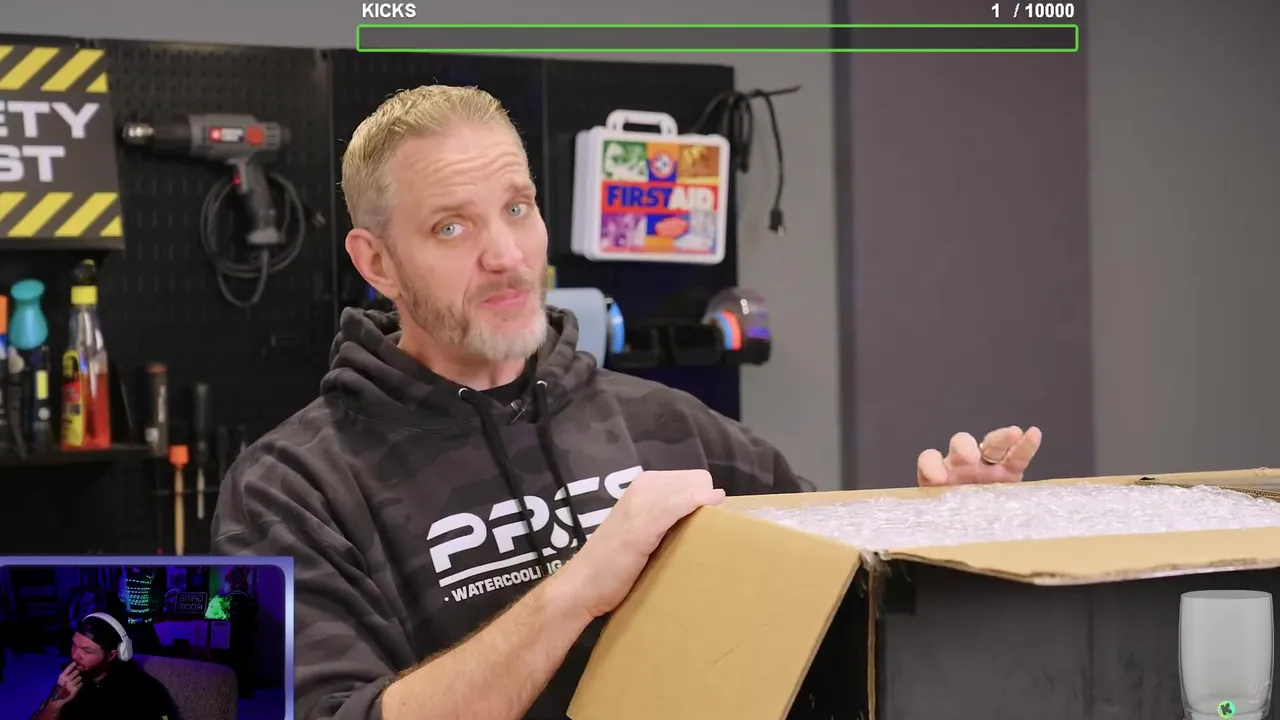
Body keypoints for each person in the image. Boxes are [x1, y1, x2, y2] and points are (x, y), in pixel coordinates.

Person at [210, 85, 1044, 720]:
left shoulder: (672, 428)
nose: (506, 255)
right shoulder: (288, 491)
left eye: (518, 209)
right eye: (452, 228)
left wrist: (944, 547)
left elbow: (837, 624)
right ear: (377, 262)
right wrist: (579, 588)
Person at [32, 612, 180, 720]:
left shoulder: (144, 690)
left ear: (112, 655)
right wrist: (54, 704)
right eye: (74, 645)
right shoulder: (69, 678)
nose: (75, 655)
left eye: (86, 651)